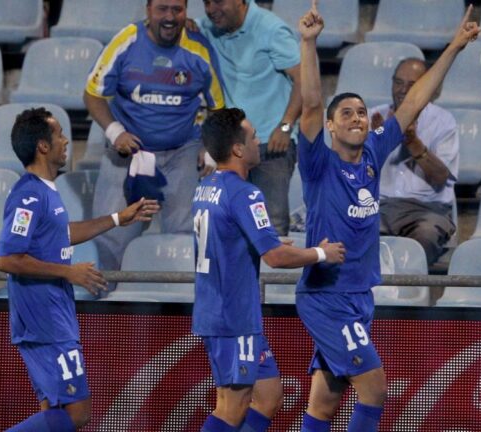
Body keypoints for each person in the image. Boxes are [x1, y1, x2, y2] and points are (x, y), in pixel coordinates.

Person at [295, 2, 480, 431]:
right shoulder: (318, 163)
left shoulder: (375, 152)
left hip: (359, 294)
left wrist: (454, 46)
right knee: (375, 388)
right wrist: (308, 43)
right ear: (331, 127)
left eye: (361, 112)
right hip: (328, 297)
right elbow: (309, 105)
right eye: (347, 114)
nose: (357, 118)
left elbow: (415, 100)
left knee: (324, 403)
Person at [0, 107, 159, 431]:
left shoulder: (45, 192)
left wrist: (118, 219)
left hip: (50, 314)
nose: (66, 140)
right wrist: (68, 272)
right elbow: (7, 259)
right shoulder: (29, 195)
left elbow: (62, 234)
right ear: (43, 146)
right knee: (77, 413)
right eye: (58, 134)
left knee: (56, 412)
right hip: (46, 318)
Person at [193, 108, 345, 432]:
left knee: (269, 396)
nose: (259, 143)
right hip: (233, 316)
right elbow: (275, 257)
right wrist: (321, 253)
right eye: (253, 137)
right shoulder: (245, 193)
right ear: (237, 149)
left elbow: (231, 236)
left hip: (224, 310)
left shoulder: (206, 186)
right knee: (231, 409)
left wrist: (265, 241)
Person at [84, 0, 225, 271]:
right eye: (162, 9)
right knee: (112, 235)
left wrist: (209, 149)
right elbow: (92, 94)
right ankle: (107, 308)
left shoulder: (199, 49)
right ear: (148, 11)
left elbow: (217, 107)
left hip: (182, 152)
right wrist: (116, 133)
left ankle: (183, 306)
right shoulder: (126, 41)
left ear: (186, 11)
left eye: (177, 9)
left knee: (187, 236)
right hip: (127, 155)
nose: (170, 17)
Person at [192, 0, 302, 236]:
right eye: (206, 3)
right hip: (227, 146)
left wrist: (285, 126)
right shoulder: (207, 28)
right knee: (223, 223)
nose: (211, 10)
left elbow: (304, 81)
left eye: (218, 2)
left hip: (270, 146)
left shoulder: (271, 29)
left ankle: (271, 274)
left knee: (271, 226)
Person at [370, 58, 460, 265]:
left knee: (424, 238)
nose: (402, 90)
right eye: (398, 82)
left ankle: (405, 295)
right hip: (379, 206)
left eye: (412, 85)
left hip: (427, 209)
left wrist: (412, 142)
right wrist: (378, 143)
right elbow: (355, 173)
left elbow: (440, 177)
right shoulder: (373, 117)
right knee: (348, 231)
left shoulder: (443, 122)